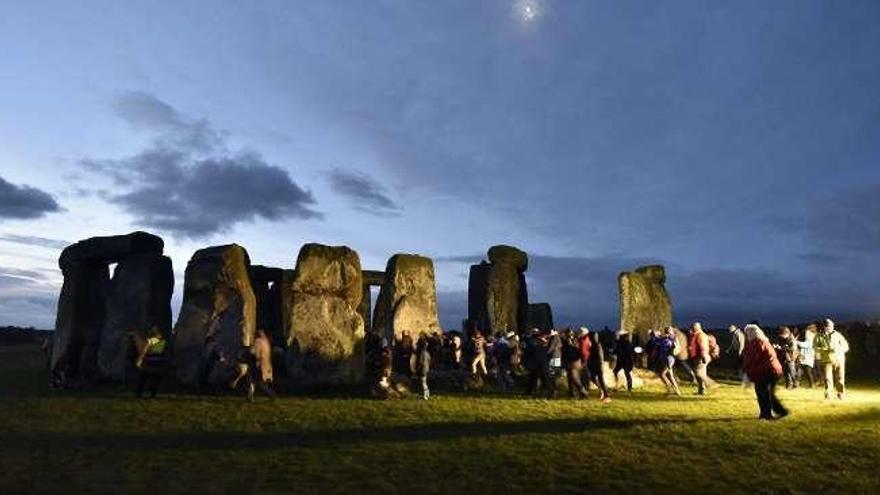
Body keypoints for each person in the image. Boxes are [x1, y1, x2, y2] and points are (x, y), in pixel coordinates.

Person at [742, 324, 788, 420]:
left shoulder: (758, 342)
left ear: (752, 333)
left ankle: (767, 414)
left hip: (767, 372)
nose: (746, 335)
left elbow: (752, 359)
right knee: (766, 393)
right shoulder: (761, 341)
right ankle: (774, 412)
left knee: (763, 393)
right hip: (768, 371)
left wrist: (747, 370)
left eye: (747, 333)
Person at [814, 318, 849, 400]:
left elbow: (846, 347)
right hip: (826, 360)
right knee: (827, 378)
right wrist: (825, 349)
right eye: (827, 326)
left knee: (840, 378)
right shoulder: (818, 336)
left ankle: (840, 394)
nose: (828, 328)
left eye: (830, 326)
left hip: (839, 359)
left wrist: (839, 349)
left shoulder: (838, 335)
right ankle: (828, 395)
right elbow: (815, 348)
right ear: (824, 327)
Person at [135, 328, 167, 398]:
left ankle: (139, 393)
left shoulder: (152, 341)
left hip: (149, 362)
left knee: (143, 378)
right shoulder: (164, 341)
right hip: (158, 363)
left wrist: (139, 361)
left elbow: (144, 351)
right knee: (155, 380)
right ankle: (153, 394)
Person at [250, 329, 276, 399]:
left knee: (258, 381)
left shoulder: (258, 341)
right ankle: (250, 395)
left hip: (259, 363)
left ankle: (270, 393)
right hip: (266, 363)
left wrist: (256, 359)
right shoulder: (266, 341)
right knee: (254, 380)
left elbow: (256, 352)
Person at [562, 328, 588, 398]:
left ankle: (583, 393)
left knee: (575, 378)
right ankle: (572, 393)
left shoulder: (574, 341)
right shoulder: (567, 341)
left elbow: (579, 351)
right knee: (570, 378)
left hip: (574, 361)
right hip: (571, 361)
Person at [586, 330, 611, 402]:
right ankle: (602, 390)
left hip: (598, 366)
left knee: (601, 380)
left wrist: (600, 365)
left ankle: (607, 396)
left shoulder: (597, 345)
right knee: (592, 378)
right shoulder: (593, 345)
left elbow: (600, 357)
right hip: (594, 365)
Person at [656, 327, 681, 395]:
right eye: (667, 331)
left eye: (669, 330)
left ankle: (670, 389)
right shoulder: (664, 338)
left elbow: (676, 347)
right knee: (670, 375)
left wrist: (671, 338)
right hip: (665, 358)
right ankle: (677, 391)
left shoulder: (673, 338)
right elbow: (658, 341)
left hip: (670, 359)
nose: (668, 332)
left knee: (662, 374)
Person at [688, 322, 711, 395]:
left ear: (697, 327)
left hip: (701, 357)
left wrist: (703, 356)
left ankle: (711, 383)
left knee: (698, 373)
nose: (691, 328)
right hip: (697, 357)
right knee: (699, 374)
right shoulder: (696, 335)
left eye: (693, 327)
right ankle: (701, 391)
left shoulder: (701, 335)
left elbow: (703, 346)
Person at [796, 324, 817, 388]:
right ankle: (797, 383)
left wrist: (796, 341)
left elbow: (805, 345)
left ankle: (812, 384)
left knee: (808, 372)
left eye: (807, 333)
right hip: (804, 357)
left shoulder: (812, 338)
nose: (806, 334)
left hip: (808, 358)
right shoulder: (808, 335)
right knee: (800, 370)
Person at [415, 333, 431, 400]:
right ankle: (427, 394)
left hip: (423, 369)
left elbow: (420, 362)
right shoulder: (427, 353)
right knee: (424, 382)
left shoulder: (422, 353)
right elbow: (430, 360)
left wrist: (417, 369)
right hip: (426, 369)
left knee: (423, 382)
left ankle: (425, 395)